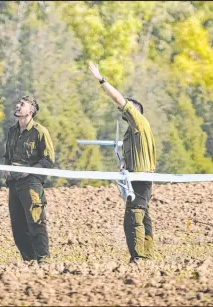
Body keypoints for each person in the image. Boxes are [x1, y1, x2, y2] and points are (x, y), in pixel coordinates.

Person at [88, 61, 157, 262]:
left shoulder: (139, 121)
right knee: (143, 216)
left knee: (134, 216)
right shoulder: (132, 131)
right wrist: (125, 162)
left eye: (127, 107)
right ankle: (146, 255)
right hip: (135, 176)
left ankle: (139, 257)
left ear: (136, 111)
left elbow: (118, 98)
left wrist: (101, 79)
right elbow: (132, 154)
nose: (122, 109)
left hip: (142, 178)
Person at [3, 95, 55, 264]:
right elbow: (7, 156)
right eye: (18, 103)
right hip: (14, 184)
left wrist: (29, 171)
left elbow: (48, 160)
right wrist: (7, 170)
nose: (18, 106)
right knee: (18, 226)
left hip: (31, 184)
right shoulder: (12, 131)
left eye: (22, 104)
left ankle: (43, 260)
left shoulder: (40, 132)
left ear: (31, 110)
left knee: (36, 222)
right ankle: (29, 261)